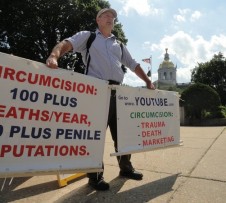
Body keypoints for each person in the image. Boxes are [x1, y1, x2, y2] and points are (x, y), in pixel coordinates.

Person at [46, 8, 155, 191]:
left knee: (123, 134)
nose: (110, 18)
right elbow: (66, 44)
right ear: (98, 20)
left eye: (113, 16)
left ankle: (126, 168)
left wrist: (148, 81)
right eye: (106, 15)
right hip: (96, 92)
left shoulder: (119, 45)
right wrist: (54, 55)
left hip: (118, 93)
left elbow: (133, 64)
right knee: (94, 137)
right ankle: (95, 176)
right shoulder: (88, 37)